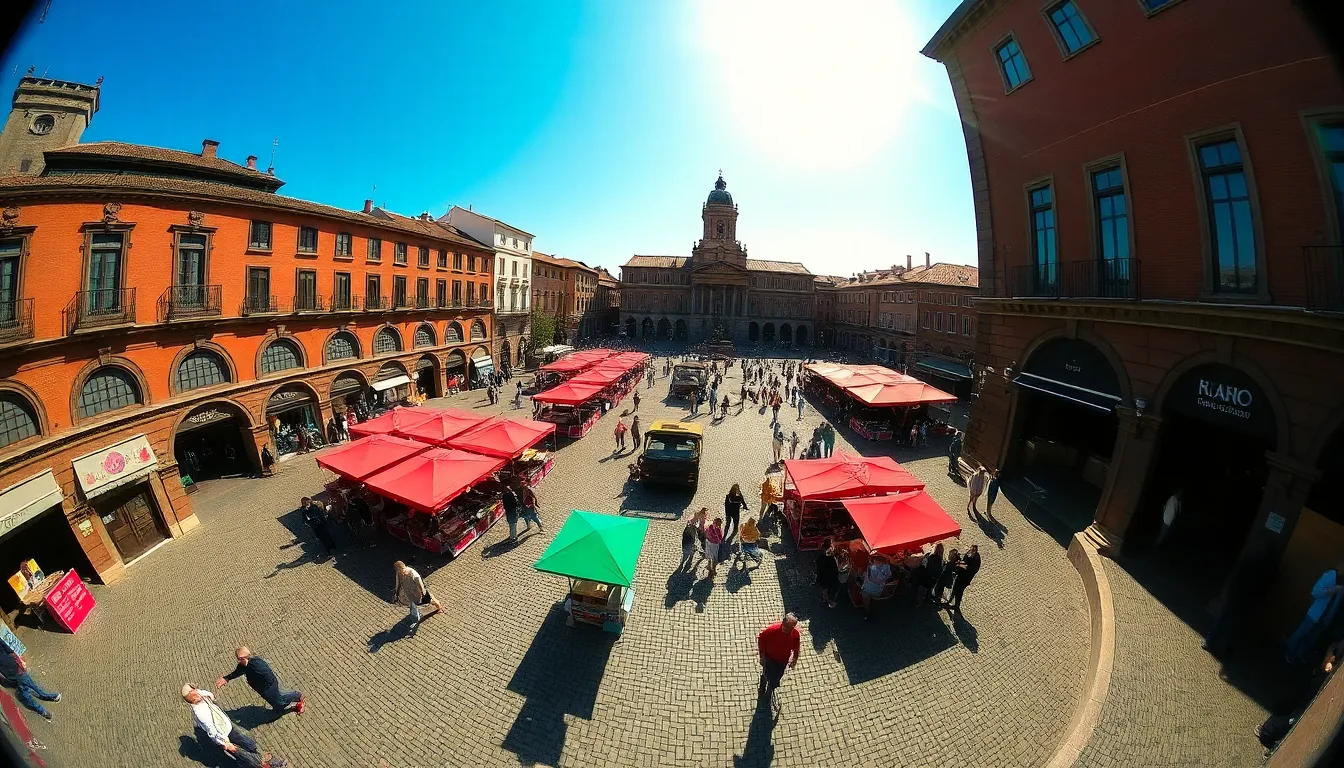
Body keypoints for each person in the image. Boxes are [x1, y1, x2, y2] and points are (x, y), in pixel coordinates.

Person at [183, 684, 288, 767]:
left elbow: (211, 695)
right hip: (223, 736)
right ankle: (264, 764)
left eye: (196, 690)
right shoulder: (200, 713)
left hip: (227, 727)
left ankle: (255, 758)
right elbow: (212, 730)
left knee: (248, 743)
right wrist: (225, 743)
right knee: (245, 754)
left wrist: (200, 692)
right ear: (193, 698)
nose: (198, 692)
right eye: (195, 692)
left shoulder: (200, 698)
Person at [215, 647, 304, 715]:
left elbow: (269, 676)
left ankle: (298, 696)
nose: (238, 661)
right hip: (260, 688)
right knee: (274, 701)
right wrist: (226, 678)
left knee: (280, 699)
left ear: (243, 658)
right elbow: (238, 672)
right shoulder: (243, 665)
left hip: (269, 687)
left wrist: (266, 690)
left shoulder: (258, 665)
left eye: (239, 659)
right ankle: (278, 708)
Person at [1285, 561, 1344, 664]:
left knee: (1310, 638)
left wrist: (1329, 618)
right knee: (1298, 635)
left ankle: (1298, 654)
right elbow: (1315, 592)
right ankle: (1290, 653)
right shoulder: (1330, 575)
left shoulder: (1342, 587)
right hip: (1314, 614)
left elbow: (1336, 604)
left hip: (1325, 619)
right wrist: (1332, 590)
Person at [0, 646, 60, 720]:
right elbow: (9, 650)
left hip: (13, 671)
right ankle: (47, 701)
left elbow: (9, 650)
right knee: (29, 687)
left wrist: (19, 661)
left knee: (26, 691)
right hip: (13, 671)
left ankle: (43, 709)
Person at [757, 614, 802, 700]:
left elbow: (796, 646)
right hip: (769, 657)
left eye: (790, 628)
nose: (787, 630)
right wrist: (762, 656)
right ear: (782, 623)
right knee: (767, 673)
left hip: (783, 660)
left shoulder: (795, 633)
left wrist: (795, 658)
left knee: (778, 675)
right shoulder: (772, 630)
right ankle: (763, 685)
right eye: (786, 627)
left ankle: (772, 686)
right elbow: (761, 639)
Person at [949, 544, 981, 612]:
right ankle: (949, 601)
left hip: (966, 578)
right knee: (954, 587)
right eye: (971, 549)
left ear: (976, 551)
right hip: (961, 574)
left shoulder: (976, 559)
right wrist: (960, 562)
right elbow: (964, 561)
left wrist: (960, 565)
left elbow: (970, 569)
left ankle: (956, 605)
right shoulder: (968, 553)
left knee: (959, 591)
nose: (971, 551)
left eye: (973, 550)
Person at [815, 538, 841, 608]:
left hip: (823, 575)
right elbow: (834, 567)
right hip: (828, 575)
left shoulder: (821, 556)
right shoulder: (830, 558)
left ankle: (827, 599)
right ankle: (829, 601)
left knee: (825, 588)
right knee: (827, 588)